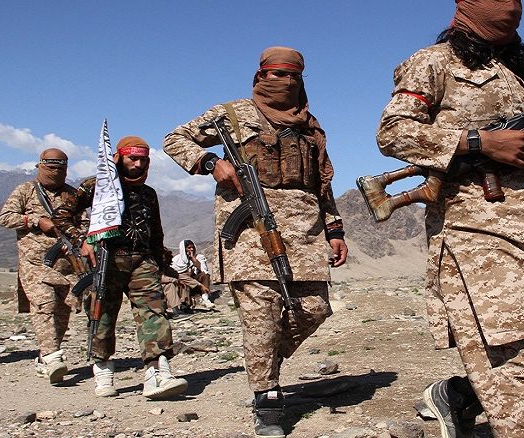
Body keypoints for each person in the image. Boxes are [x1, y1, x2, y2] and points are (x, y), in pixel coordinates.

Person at [375, 2, 524, 436]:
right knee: (517, 354)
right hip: (474, 229)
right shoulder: (433, 62)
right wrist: (479, 142)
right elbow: (393, 132)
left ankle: (459, 396)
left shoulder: (515, 71)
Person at [164, 46, 348, 438]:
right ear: (260, 75)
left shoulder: (312, 128)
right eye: (277, 73)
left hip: (305, 232)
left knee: (315, 309)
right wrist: (211, 163)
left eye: (294, 75)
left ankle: (262, 362)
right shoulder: (231, 114)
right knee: (260, 318)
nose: (285, 81)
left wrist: (334, 231)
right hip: (249, 232)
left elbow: (323, 184)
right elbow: (175, 139)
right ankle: (267, 399)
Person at [77, 136, 188, 399]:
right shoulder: (96, 186)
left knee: (154, 312)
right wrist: (82, 238)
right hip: (107, 260)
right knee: (102, 314)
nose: (138, 164)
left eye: (143, 160)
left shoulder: (148, 194)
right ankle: (103, 370)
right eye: (133, 158)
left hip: (142, 261)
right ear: (119, 158)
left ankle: (157, 372)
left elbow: (156, 231)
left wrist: (161, 262)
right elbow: (63, 214)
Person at [0, 148, 87, 384]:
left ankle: (43, 356)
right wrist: (35, 220)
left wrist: (76, 239)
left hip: (66, 264)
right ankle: (51, 356)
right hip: (34, 262)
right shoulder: (26, 191)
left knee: (63, 310)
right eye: (51, 168)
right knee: (45, 304)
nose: (56, 172)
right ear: (40, 166)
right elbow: (5, 217)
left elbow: (85, 222)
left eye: (61, 168)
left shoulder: (73, 195)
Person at [162, 239, 215, 317]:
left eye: (192, 247)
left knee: (204, 276)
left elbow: (204, 270)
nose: (191, 249)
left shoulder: (199, 257)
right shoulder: (176, 260)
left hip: (194, 282)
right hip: (181, 282)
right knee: (178, 282)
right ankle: (181, 307)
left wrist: (193, 259)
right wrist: (178, 278)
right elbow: (172, 275)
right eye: (189, 248)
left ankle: (204, 299)